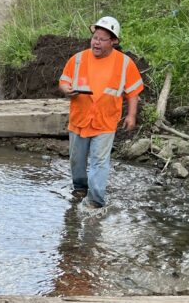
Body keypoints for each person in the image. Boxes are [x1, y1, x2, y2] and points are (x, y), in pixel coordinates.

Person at [57, 16, 144, 209]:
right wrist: (66, 89)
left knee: (99, 162)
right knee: (76, 160)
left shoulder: (124, 64)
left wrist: (131, 115)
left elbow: (133, 92)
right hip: (80, 119)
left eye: (102, 39)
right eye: (94, 37)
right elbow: (64, 81)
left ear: (113, 41)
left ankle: (95, 201)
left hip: (105, 121)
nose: (96, 42)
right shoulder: (78, 59)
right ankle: (80, 188)